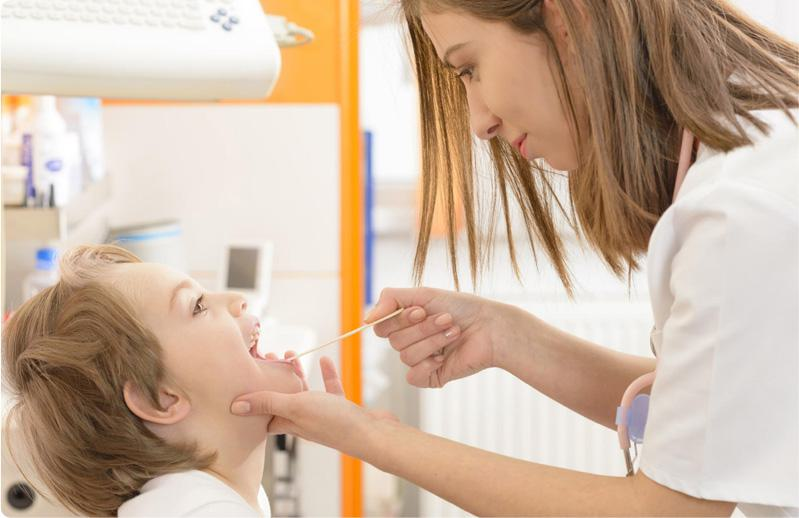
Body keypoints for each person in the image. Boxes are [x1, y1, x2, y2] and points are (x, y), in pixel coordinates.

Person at [229, 0, 799, 516]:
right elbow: (713, 410)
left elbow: (664, 510)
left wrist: (371, 438)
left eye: (470, 68)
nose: (479, 123)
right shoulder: (744, 175)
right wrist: (506, 336)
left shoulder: (739, 210)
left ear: (567, 20)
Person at [2, 244, 314, 517]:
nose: (238, 300)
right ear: (159, 398)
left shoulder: (212, 499)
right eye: (198, 306)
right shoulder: (200, 511)